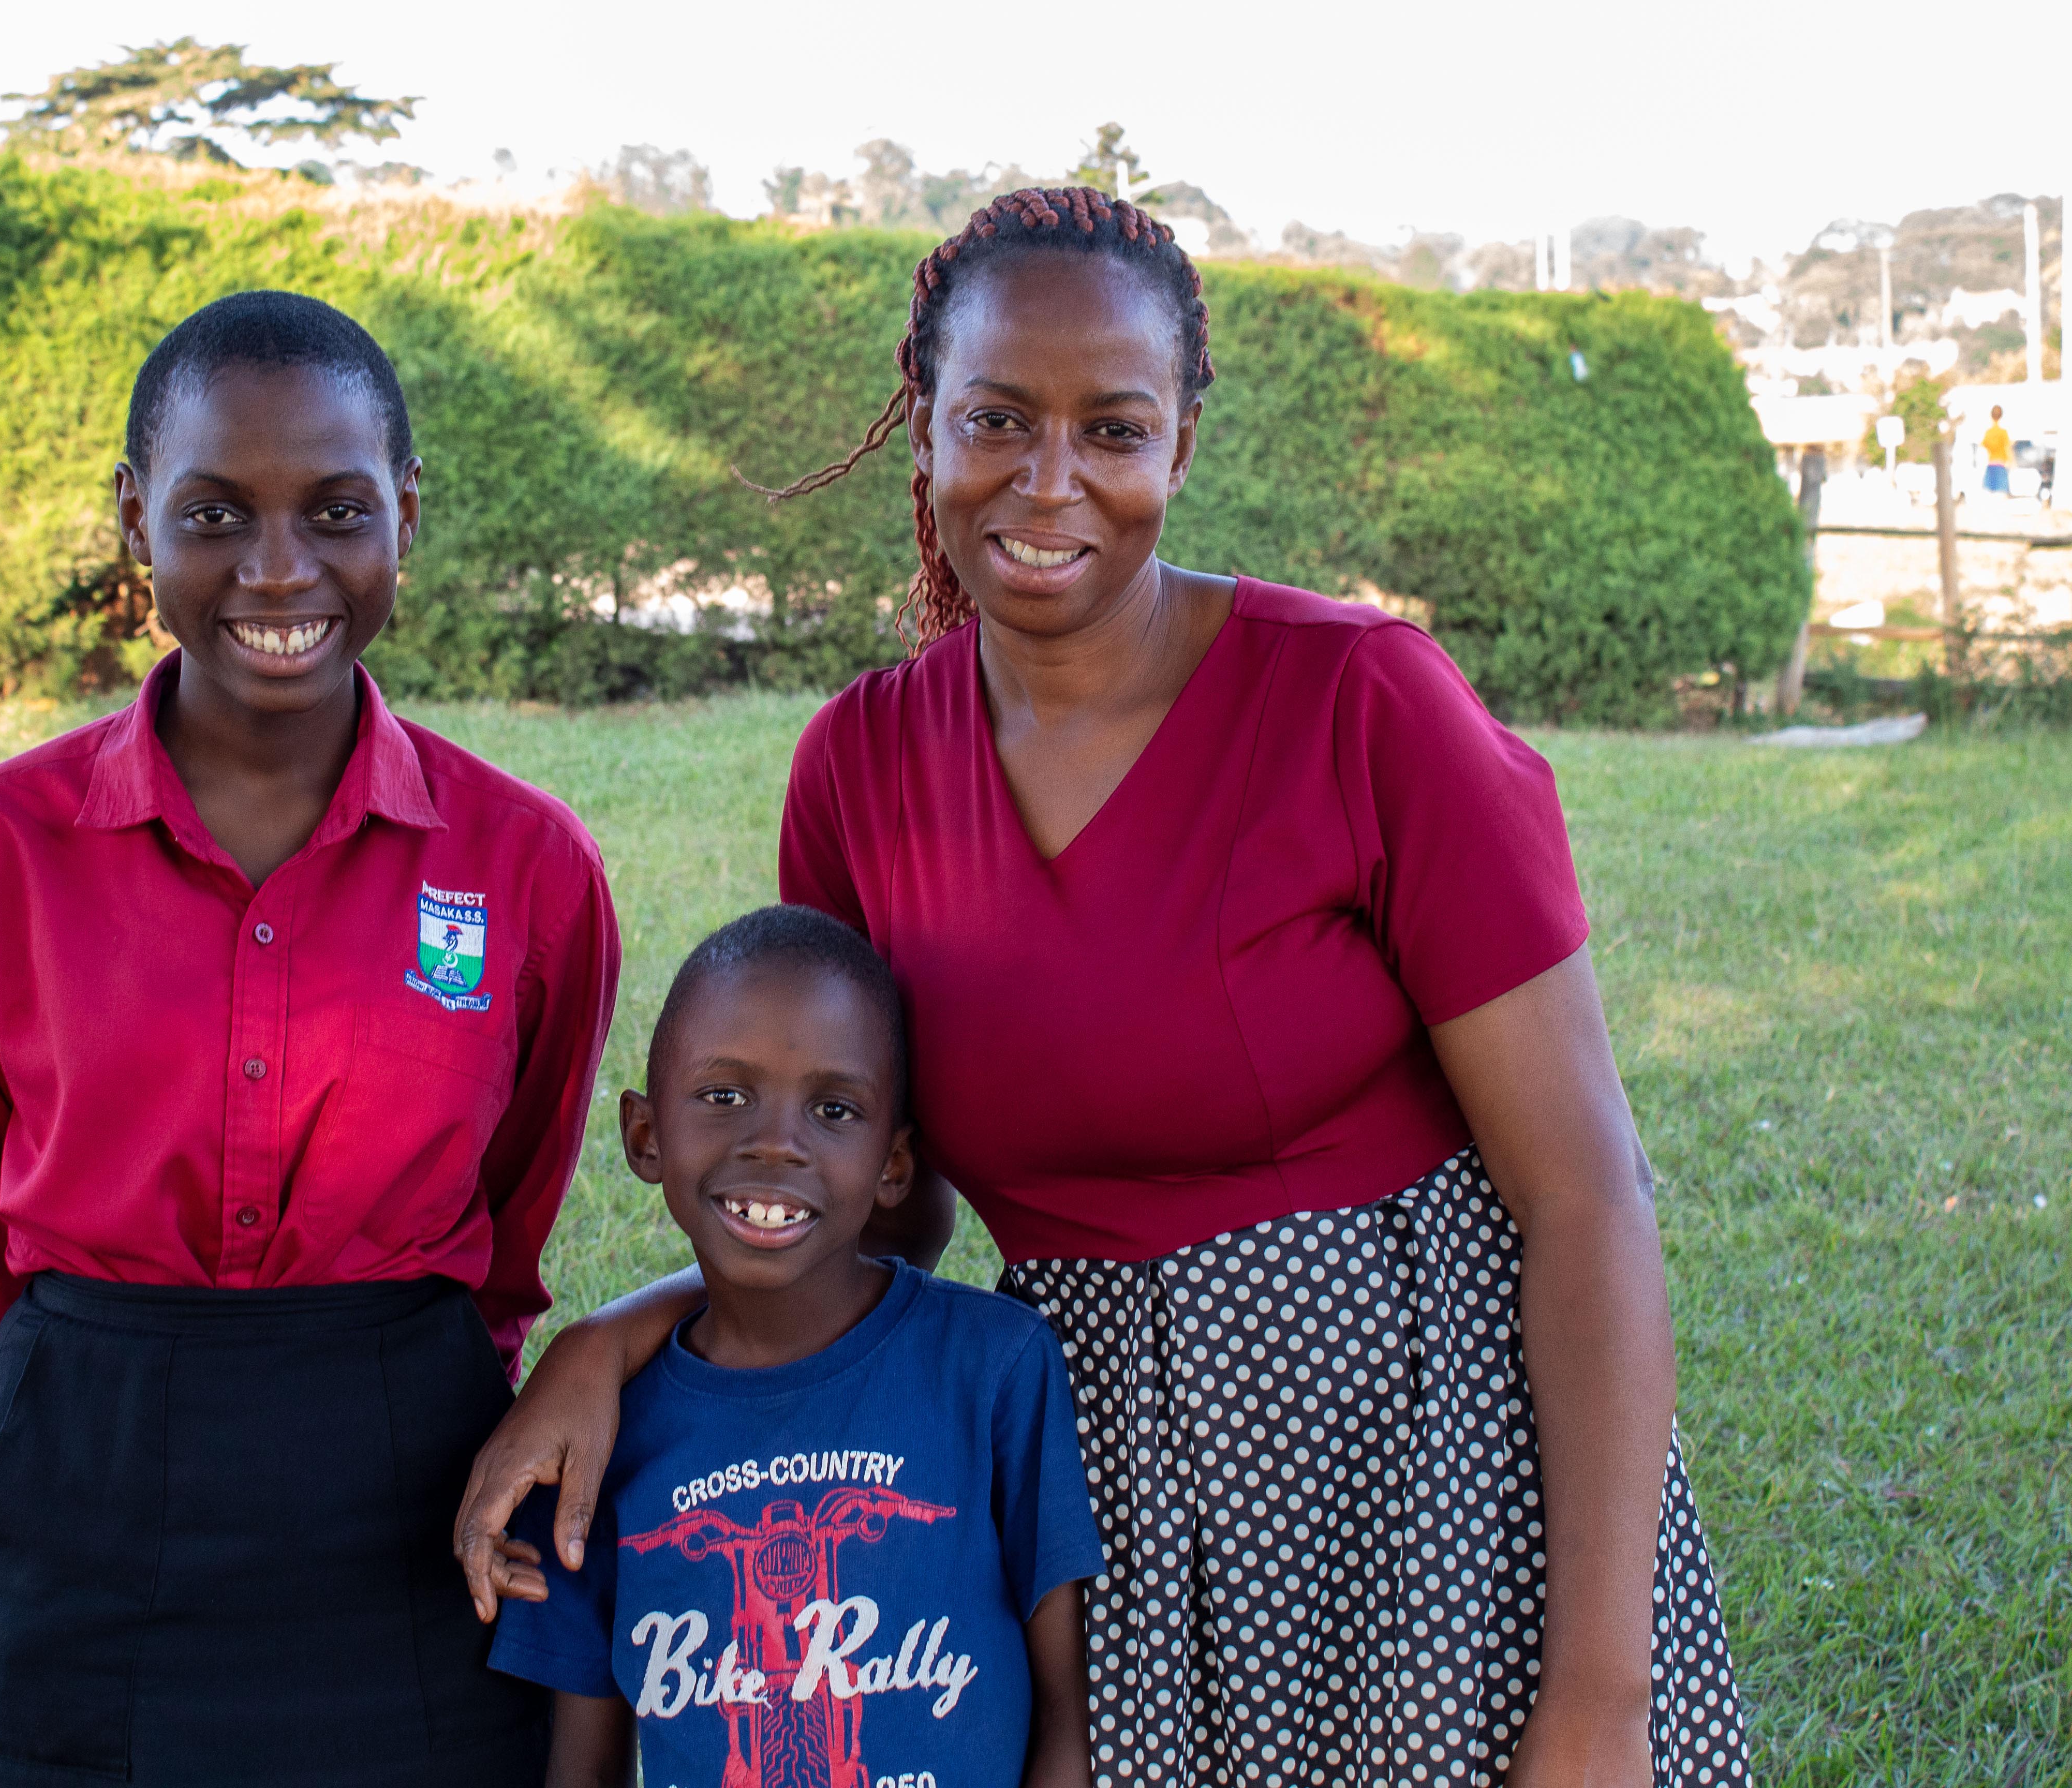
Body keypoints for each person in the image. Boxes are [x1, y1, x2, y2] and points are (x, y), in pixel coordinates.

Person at [456, 189, 1749, 1786]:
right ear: (924, 430)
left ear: (1182, 445)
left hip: (1431, 1480)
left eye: (1113, 430)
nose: (1049, 479)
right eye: (997, 418)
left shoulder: (1363, 704)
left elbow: (1587, 1198)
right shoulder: (861, 767)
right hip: (1099, 1501)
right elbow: (870, 1208)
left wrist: (1603, 1695)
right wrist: (620, 1340)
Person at [0, 290, 619, 1788]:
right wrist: (65, 1412)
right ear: (135, 520)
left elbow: (515, 1202)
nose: (278, 568)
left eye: (336, 510)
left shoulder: (527, 864)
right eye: (214, 514)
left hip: (412, 1497)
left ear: (406, 512)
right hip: (75, 1497)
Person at [482, 906, 1103, 1788]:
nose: (776, 1143)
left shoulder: (995, 1369)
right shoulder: (592, 1439)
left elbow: (1069, 1717)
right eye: (724, 1096)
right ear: (644, 1136)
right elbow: (583, 1765)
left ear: (893, 1166)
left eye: (833, 1109)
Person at [1982, 405, 2014, 494]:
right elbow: (2008, 448)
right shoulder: (2003, 433)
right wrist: (2011, 461)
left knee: (1989, 493)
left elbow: (1984, 446)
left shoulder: (1988, 433)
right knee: (2001, 494)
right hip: (2001, 466)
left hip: (1991, 465)